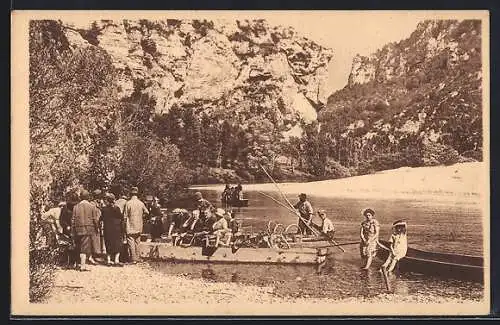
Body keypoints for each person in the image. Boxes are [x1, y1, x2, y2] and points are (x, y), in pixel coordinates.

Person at [71, 190, 101, 271]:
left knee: (78, 246)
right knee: (84, 248)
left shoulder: (76, 207)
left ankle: (77, 263)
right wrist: (97, 228)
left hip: (78, 228)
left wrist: (72, 231)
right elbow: (95, 219)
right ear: (88, 197)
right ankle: (83, 266)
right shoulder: (92, 207)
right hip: (88, 229)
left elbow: (73, 220)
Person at [124, 187, 149, 264]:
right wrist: (142, 216)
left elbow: (125, 216)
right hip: (139, 225)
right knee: (137, 242)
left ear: (130, 194)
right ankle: (138, 257)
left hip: (130, 225)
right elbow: (147, 212)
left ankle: (133, 258)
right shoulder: (141, 203)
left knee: (131, 242)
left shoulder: (128, 203)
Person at [101, 193, 125, 267]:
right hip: (116, 228)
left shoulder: (104, 209)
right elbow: (121, 217)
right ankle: (116, 260)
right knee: (117, 244)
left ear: (107, 200)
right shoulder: (117, 208)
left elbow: (101, 218)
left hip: (107, 228)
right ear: (113, 200)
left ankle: (108, 260)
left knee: (108, 243)